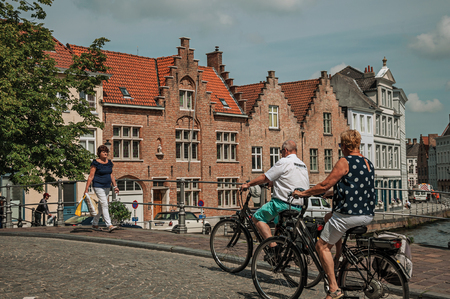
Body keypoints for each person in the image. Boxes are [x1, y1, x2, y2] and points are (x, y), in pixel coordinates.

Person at [293, 130, 375, 299]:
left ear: (344, 146)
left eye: (340, 145)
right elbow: (356, 187)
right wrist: (333, 194)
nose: (340, 148)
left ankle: (334, 289)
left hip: (349, 215)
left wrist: (304, 193)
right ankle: (338, 256)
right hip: (367, 213)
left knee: (321, 246)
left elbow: (324, 184)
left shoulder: (345, 161)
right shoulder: (368, 162)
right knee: (328, 217)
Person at [241, 140, 309, 242]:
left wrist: (248, 184)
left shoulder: (284, 161)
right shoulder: (302, 164)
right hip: (300, 205)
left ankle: (272, 246)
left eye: (281, 151)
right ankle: (278, 251)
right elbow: (290, 179)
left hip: (283, 204)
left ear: (285, 150)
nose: (281, 154)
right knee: (279, 223)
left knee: (257, 218)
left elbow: (265, 177)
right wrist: (274, 182)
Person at [84, 145, 119, 232]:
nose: (105, 153)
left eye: (106, 151)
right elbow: (91, 176)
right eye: (103, 152)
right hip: (98, 185)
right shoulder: (95, 163)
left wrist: (115, 186)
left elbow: (111, 175)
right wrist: (86, 189)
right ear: (99, 153)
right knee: (105, 204)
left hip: (107, 186)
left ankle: (94, 224)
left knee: (101, 206)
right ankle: (109, 225)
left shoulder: (109, 163)